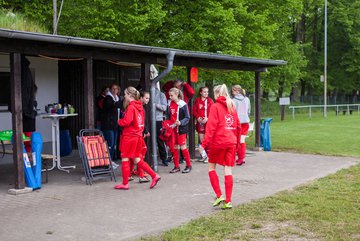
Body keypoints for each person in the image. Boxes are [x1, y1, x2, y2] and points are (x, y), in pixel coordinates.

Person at [199, 84, 241, 210]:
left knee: (211, 167)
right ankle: (228, 201)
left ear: (217, 94)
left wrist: (203, 144)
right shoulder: (232, 106)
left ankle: (219, 195)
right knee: (228, 170)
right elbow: (238, 126)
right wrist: (237, 144)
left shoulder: (215, 106)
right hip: (231, 142)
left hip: (218, 142)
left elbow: (211, 127)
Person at [114, 86, 161, 190]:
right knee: (137, 159)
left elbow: (127, 121)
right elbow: (141, 123)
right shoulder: (140, 107)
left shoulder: (131, 107)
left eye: (125, 94)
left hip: (129, 136)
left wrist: (119, 121)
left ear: (130, 95)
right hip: (138, 136)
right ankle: (154, 175)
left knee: (125, 158)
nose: (124, 96)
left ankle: (125, 183)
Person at [167, 88, 192, 173]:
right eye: (169, 95)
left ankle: (188, 165)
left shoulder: (183, 104)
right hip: (173, 129)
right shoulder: (170, 103)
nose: (170, 97)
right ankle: (176, 166)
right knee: (174, 148)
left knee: (183, 147)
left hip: (181, 129)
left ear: (177, 94)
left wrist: (180, 122)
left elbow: (187, 117)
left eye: (171, 95)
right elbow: (169, 116)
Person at [101, 83, 122, 166]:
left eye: (116, 88)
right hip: (108, 125)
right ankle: (107, 162)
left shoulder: (117, 98)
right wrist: (122, 101)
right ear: (110, 89)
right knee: (110, 144)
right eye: (113, 88)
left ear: (118, 90)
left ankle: (111, 161)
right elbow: (110, 105)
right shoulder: (108, 98)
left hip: (115, 125)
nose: (114, 90)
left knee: (114, 144)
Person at [193, 86, 214, 162]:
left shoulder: (210, 101)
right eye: (204, 92)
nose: (206, 93)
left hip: (208, 122)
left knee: (207, 139)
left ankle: (209, 156)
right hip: (200, 123)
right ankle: (204, 156)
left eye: (207, 92)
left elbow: (213, 111)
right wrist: (198, 117)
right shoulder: (197, 101)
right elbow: (194, 111)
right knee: (202, 139)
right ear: (201, 92)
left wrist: (208, 118)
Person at [232, 85, 251, 166]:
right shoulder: (247, 99)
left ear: (236, 91)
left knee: (237, 142)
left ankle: (240, 158)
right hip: (246, 122)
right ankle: (242, 158)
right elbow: (249, 111)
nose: (232, 93)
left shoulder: (233, 100)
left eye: (233, 91)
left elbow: (233, 112)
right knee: (242, 141)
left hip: (238, 123)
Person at [154, 82, 169, 166]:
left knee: (160, 139)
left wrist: (156, 105)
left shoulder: (161, 95)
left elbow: (164, 107)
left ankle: (164, 158)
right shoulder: (146, 93)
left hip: (158, 119)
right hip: (148, 119)